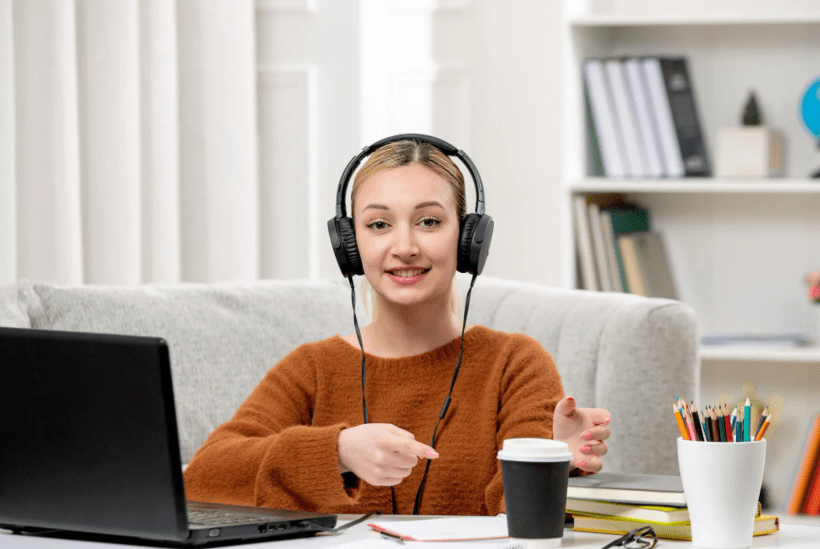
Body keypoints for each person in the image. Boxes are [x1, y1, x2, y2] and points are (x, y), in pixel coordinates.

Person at [183, 137, 611, 516]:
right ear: (350, 245)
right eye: (379, 225)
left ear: (468, 239)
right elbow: (202, 479)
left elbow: (516, 517)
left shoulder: (514, 364)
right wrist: (338, 451)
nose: (404, 247)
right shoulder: (312, 369)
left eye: (428, 221)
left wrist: (548, 462)